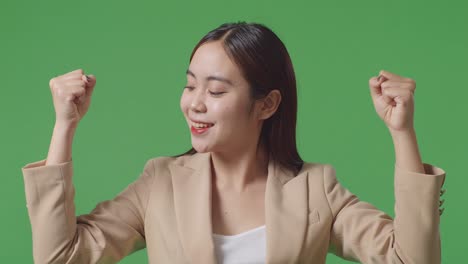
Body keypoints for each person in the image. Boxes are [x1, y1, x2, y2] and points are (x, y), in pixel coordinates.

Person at [21, 22, 446, 264]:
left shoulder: (317, 188)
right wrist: (65, 127)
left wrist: (402, 132)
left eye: (217, 91)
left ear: (267, 104)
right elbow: (60, 259)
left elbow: (410, 260)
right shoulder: (159, 182)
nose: (195, 105)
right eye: (190, 87)